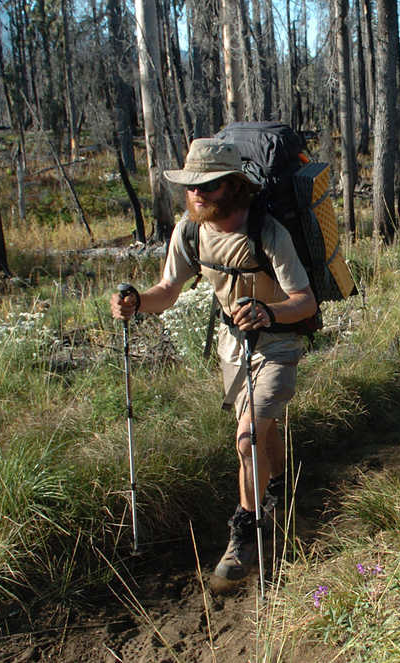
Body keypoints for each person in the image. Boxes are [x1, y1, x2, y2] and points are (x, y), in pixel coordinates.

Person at [110, 138, 316, 587]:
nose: (198, 194)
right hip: (232, 345)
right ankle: (279, 497)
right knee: (263, 430)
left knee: (246, 438)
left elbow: (305, 301)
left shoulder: (268, 231)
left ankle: (244, 532)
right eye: (191, 187)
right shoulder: (188, 232)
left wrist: (269, 312)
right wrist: (136, 302)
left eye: (209, 185)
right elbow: (167, 291)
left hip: (277, 343)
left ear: (234, 186)